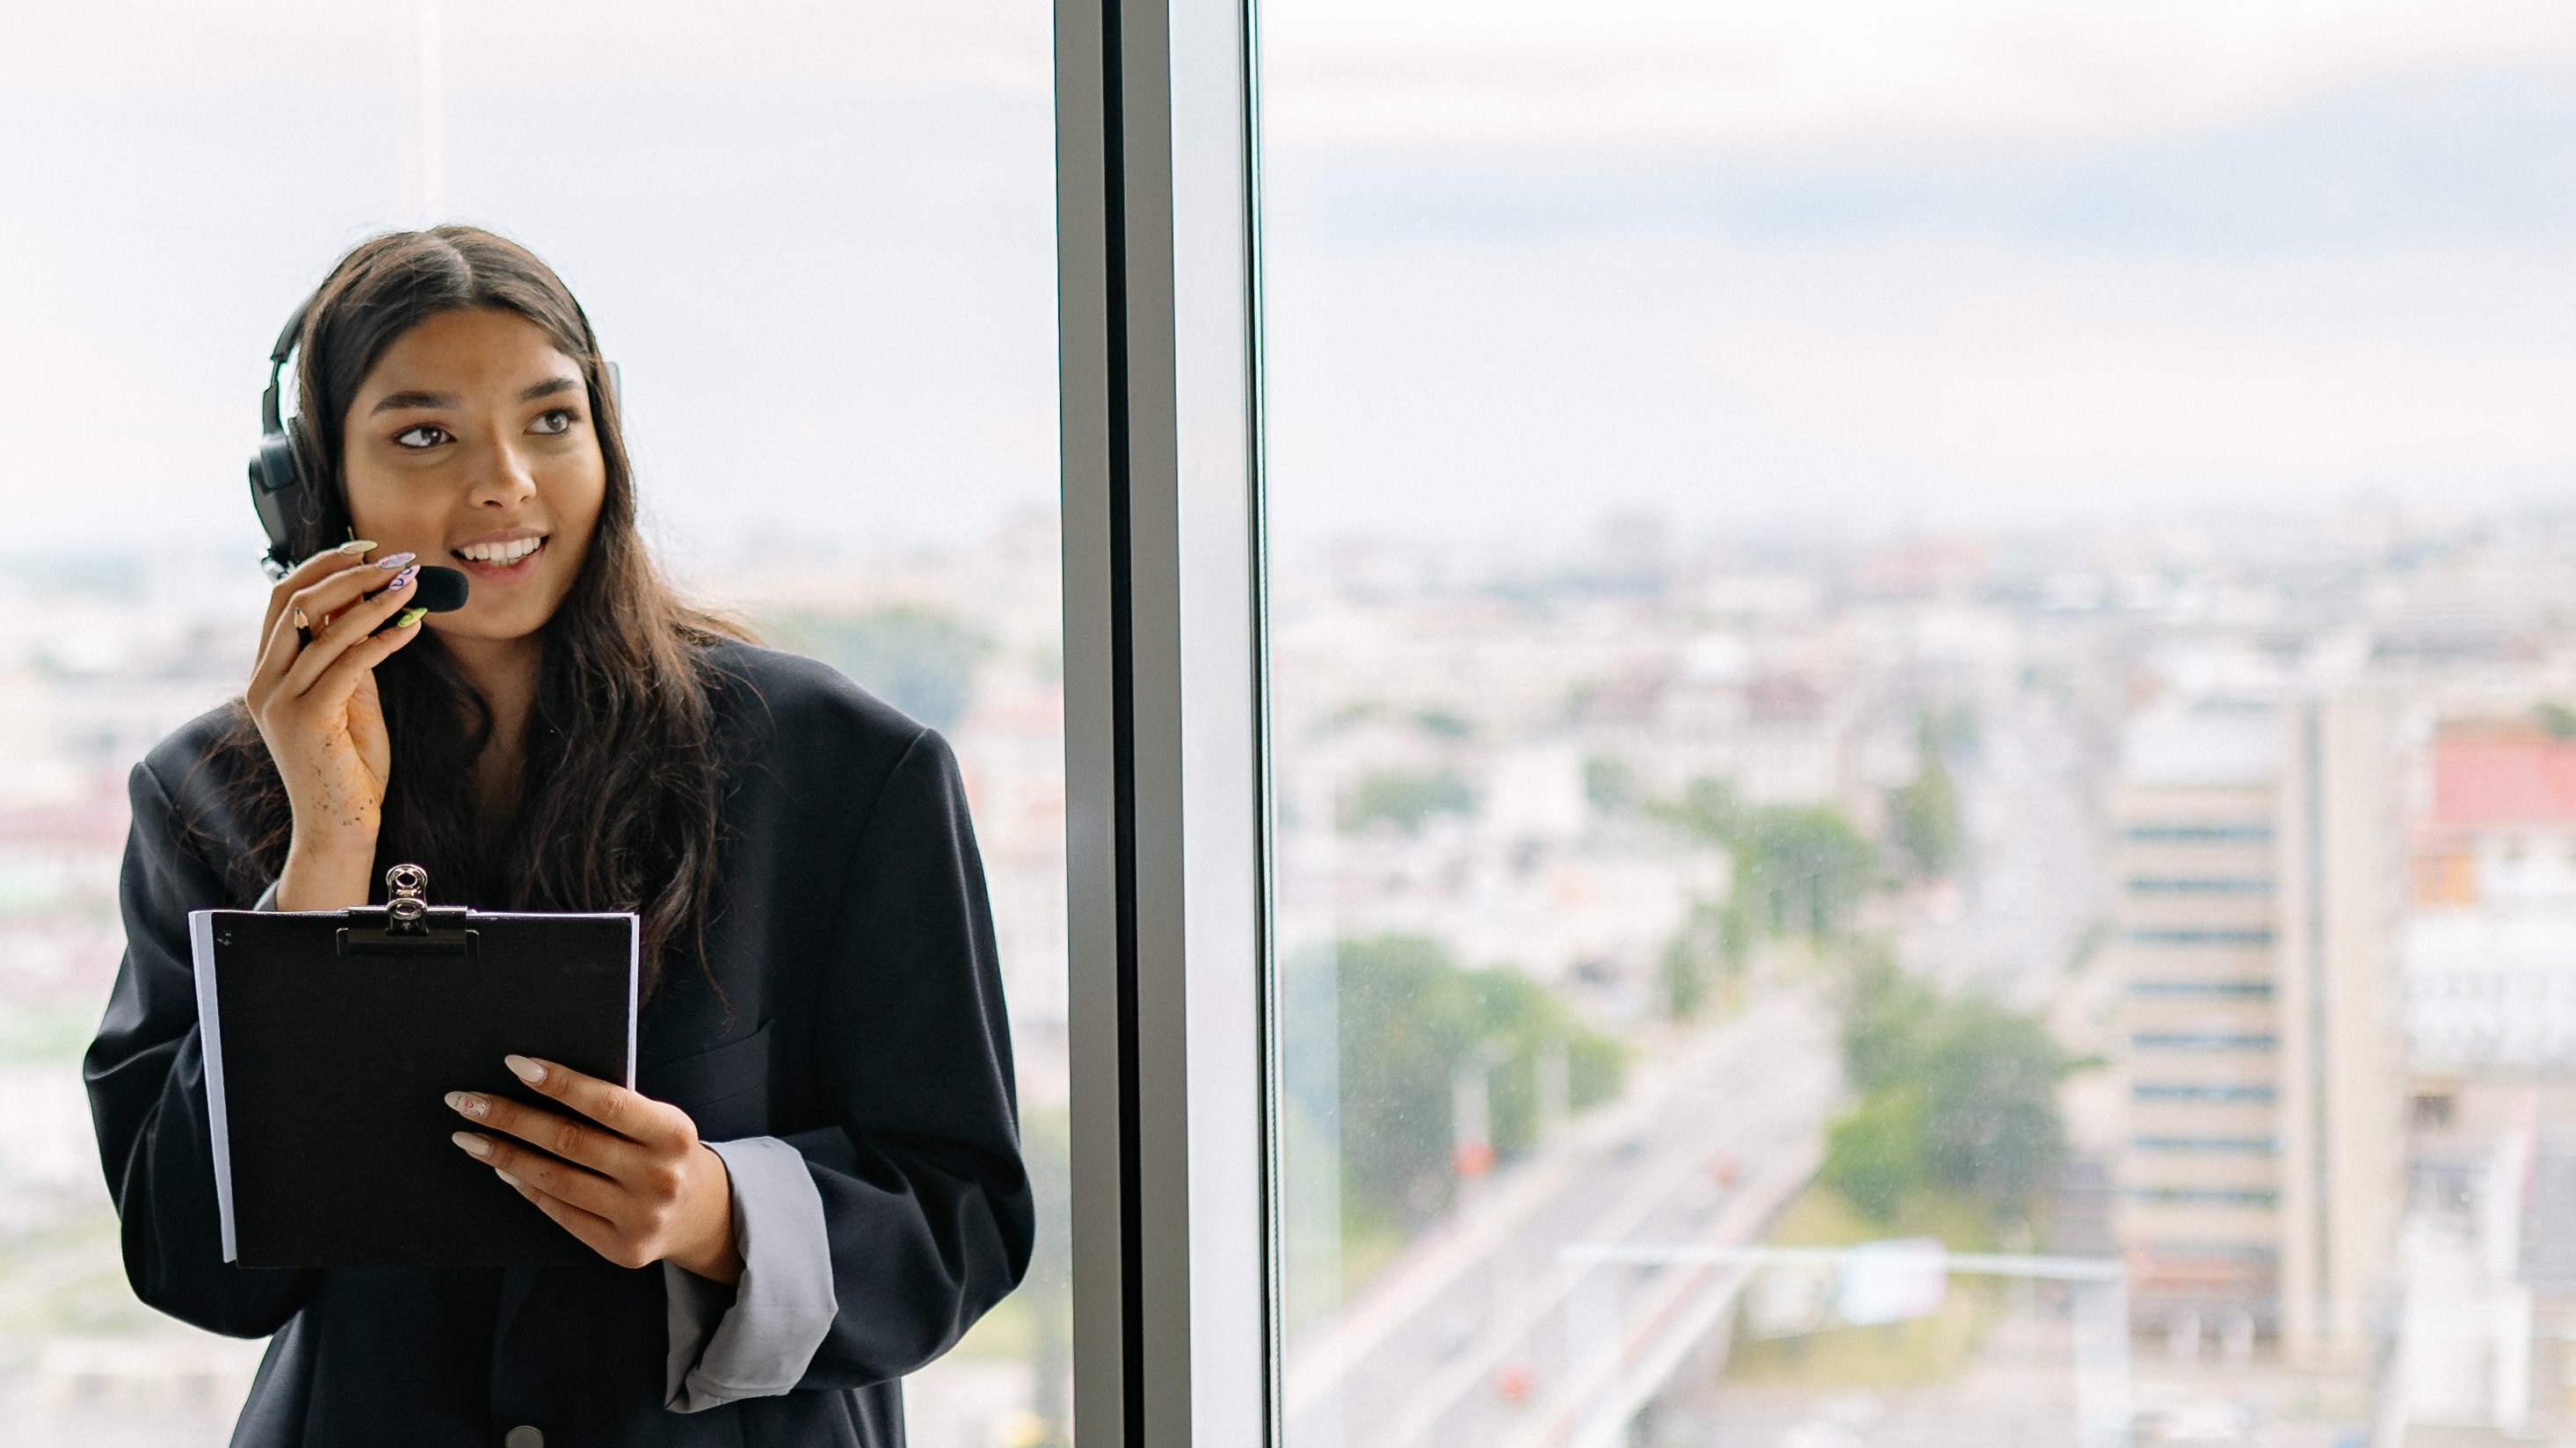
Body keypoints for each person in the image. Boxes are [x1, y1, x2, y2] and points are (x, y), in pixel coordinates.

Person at [83, 226, 1033, 1445]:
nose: (506, 484)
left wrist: (714, 1213)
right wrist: (322, 854)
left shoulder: (847, 771)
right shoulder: (205, 794)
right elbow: (196, 1269)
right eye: (424, 435)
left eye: (550, 421)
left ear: (607, 441)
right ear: (314, 488)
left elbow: (966, 1217)